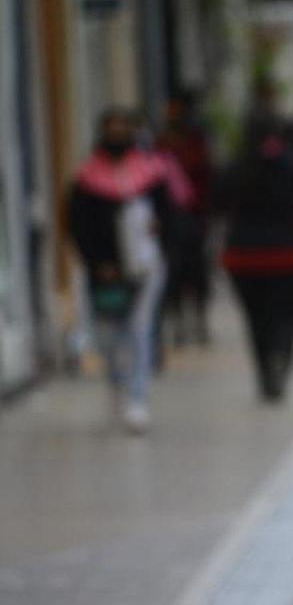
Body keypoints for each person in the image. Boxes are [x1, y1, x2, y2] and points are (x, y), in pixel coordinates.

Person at [68, 108, 178, 433]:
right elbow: (79, 227)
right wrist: (98, 263)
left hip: (145, 269)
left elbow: (171, 218)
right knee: (109, 337)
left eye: (122, 129)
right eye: (111, 129)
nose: (117, 135)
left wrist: (161, 238)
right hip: (105, 273)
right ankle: (117, 386)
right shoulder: (86, 179)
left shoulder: (152, 174)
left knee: (140, 331)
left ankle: (138, 398)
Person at [213, 115, 293, 402]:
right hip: (289, 255)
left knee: (256, 319)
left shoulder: (235, 169)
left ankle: (265, 372)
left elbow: (217, 203)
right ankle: (282, 354)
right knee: (289, 316)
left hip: (245, 257)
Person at [157, 91, 215, 346]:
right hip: (170, 220)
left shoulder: (196, 141)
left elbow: (207, 175)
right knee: (174, 271)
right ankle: (179, 323)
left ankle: (199, 322)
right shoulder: (162, 142)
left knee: (196, 271)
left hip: (193, 216)